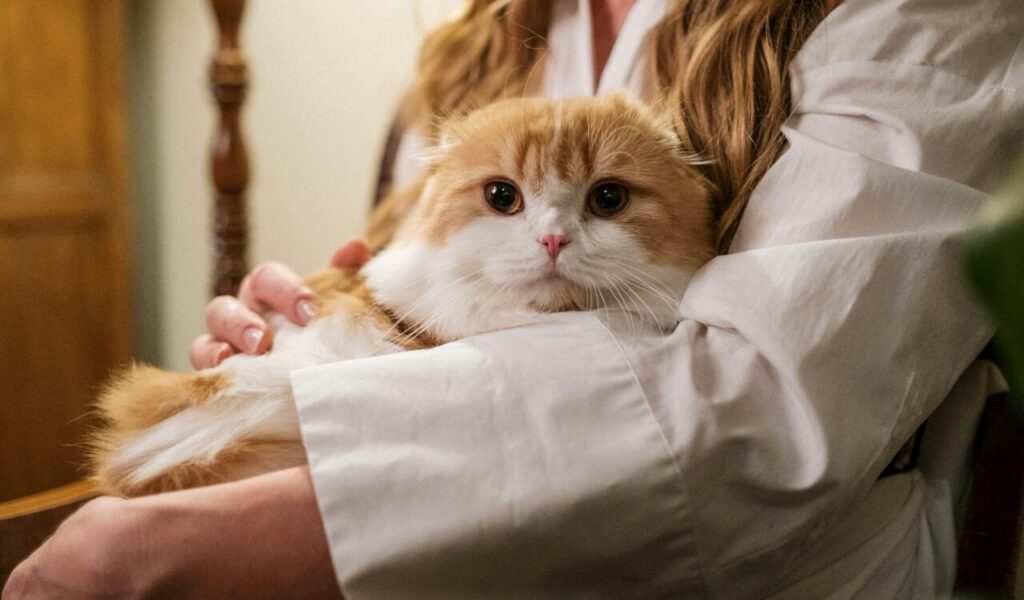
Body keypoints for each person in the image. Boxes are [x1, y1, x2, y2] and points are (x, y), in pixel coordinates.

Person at [5, 0, 1023, 597]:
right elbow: (424, 278)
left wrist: (187, 537)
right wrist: (308, 332)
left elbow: (763, 418)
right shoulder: (489, 35)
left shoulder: (918, 20)